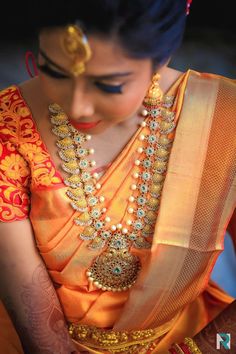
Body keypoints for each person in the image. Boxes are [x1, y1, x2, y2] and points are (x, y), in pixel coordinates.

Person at [0, 1, 235, 353]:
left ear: (162, 58)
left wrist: (200, 349)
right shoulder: (9, 123)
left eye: (108, 85)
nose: (77, 106)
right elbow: (35, 319)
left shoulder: (225, 119)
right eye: (55, 72)